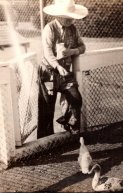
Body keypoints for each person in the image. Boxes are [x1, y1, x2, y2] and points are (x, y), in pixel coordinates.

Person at [37, 0, 88, 138]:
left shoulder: (73, 29)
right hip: (49, 72)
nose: (71, 20)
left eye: (72, 17)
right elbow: (47, 52)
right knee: (47, 107)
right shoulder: (49, 28)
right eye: (67, 17)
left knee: (76, 98)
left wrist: (72, 52)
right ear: (59, 15)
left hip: (65, 72)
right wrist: (57, 66)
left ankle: (69, 127)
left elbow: (83, 47)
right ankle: (44, 141)